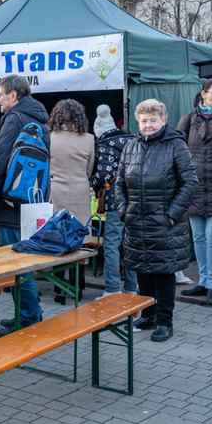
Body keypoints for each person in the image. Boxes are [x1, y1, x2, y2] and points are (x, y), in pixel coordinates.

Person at [113, 98, 198, 342]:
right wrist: (123, 210)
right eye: (144, 120)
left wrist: (171, 215)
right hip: (136, 223)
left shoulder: (176, 146)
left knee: (163, 273)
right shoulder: (131, 147)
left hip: (164, 224)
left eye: (153, 120)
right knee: (142, 270)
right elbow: (119, 183)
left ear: (163, 120)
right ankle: (148, 314)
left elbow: (190, 183)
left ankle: (164, 321)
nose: (148, 125)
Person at [0, 74, 49, 334]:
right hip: (30, 200)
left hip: (9, 203)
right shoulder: (39, 120)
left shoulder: (15, 118)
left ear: (14, 95)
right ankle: (28, 312)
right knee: (24, 260)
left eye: (0, 93)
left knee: (18, 264)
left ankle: (29, 319)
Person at [176, 79, 212, 306]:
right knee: (198, 237)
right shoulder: (188, 120)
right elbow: (177, 150)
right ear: (203, 94)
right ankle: (204, 281)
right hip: (195, 188)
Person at [47, 98, 94, 303]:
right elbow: (89, 170)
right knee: (79, 239)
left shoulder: (49, 138)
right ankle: (78, 288)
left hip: (55, 190)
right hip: (80, 191)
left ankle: (59, 290)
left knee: (59, 239)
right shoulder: (89, 139)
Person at [90, 104, 138, 296]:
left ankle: (111, 289)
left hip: (114, 201)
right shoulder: (133, 140)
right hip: (135, 199)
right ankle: (132, 287)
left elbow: (102, 176)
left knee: (111, 244)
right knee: (131, 244)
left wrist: (92, 181)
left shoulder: (104, 145)